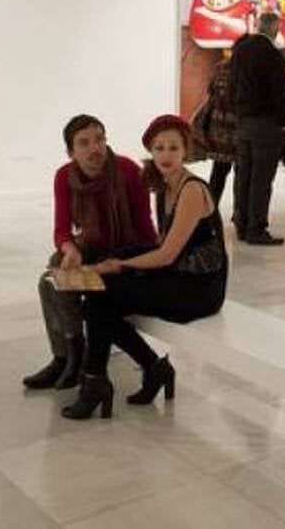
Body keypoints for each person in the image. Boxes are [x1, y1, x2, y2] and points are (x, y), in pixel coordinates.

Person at [62, 115, 228, 420]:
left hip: (200, 287)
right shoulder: (166, 186)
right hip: (178, 273)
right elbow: (160, 242)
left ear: (186, 151)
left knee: (100, 297)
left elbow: (166, 254)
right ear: (151, 151)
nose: (166, 155)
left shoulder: (192, 189)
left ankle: (102, 381)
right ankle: (143, 370)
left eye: (173, 148)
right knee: (97, 299)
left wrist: (120, 264)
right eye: (159, 148)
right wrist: (116, 260)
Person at [22, 115, 158, 391]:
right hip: (91, 249)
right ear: (71, 152)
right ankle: (65, 356)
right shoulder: (64, 176)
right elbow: (61, 231)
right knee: (51, 278)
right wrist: (70, 249)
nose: (95, 148)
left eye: (99, 140)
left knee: (58, 281)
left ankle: (73, 360)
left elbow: (146, 231)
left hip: (125, 253)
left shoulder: (127, 171)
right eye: (84, 143)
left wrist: (132, 264)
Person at [232, 14, 285, 245]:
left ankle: (241, 224)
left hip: (244, 122)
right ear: (274, 29)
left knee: (243, 176)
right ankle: (256, 229)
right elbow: (280, 92)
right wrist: (284, 122)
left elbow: (233, 84)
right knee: (261, 179)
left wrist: (237, 111)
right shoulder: (273, 54)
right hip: (266, 124)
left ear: (257, 26)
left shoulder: (241, 50)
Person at [202, 41, 239, 218]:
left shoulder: (219, 69)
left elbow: (210, 92)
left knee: (218, 173)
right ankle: (239, 214)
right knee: (241, 175)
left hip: (218, 128)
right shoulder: (243, 72)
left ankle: (209, 212)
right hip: (237, 128)